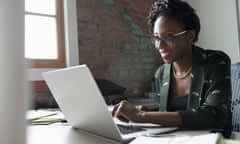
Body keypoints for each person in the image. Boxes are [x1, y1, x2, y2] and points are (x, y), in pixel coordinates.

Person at [112, 0, 232, 131]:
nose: (159, 46)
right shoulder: (161, 73)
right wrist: (148, 114)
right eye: (156, 38)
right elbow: (170, 117)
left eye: (168, 37)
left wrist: (142, 115)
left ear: (190, 36)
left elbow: (214, 116)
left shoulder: (216, 62)